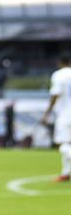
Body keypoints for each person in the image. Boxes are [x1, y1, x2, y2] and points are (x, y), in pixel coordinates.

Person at [41, 53, 71, 182]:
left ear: (59, 63)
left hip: (66, 114)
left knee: (63, 143)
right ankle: (66, 173)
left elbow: (55, 95)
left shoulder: (59, 75)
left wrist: (46, 113)